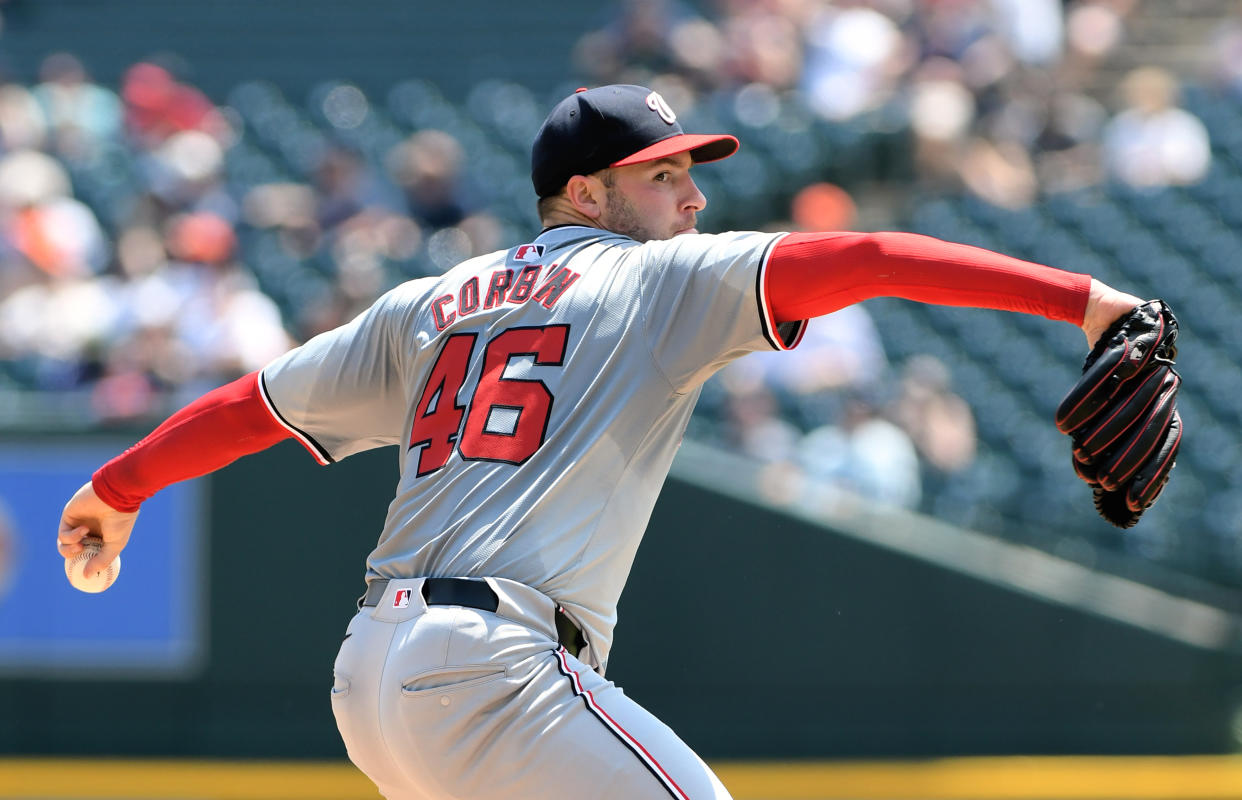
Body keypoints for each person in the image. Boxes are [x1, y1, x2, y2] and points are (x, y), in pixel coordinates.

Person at [57, 84, 1143, 799]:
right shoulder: (658, 274)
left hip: (372, 677)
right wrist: (1086, 300)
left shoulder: (428, 302)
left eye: (688, 171)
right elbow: (866, 255)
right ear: (588, 191)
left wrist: (117, 485)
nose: (692, 194)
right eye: (663, 173)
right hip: (495, 668)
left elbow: (252, 405)